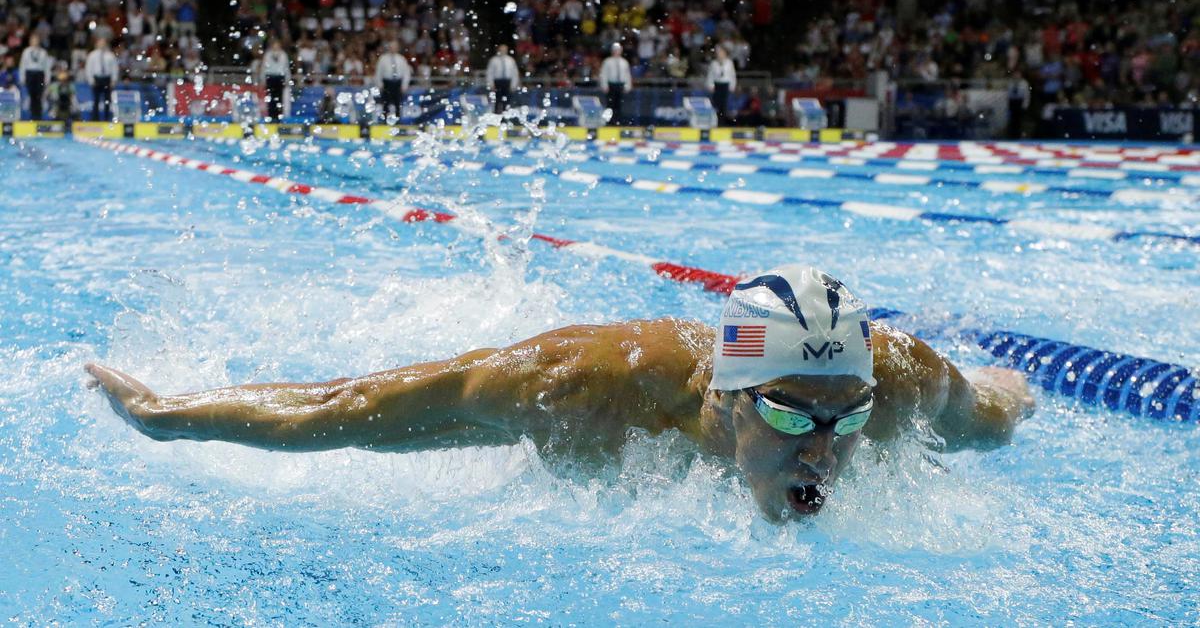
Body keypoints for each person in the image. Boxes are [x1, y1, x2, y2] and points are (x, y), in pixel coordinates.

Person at [88, 265, 1033, 521]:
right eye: (788, 413)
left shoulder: (898, 383)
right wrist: (168, 418)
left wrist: (1015, 394)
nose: (823, 449)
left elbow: (993, 408)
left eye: (844, 417)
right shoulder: (584, 387)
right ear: (726, 392)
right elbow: (339, 408)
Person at [374, 40, 411, 122]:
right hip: (387, 83)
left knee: (398, 103)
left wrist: (404, 85)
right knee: (385, 103)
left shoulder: (401, 59)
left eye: (394, 47)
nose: (393, 49)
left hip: (397, 83)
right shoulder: (383, 59)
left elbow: (406, 73)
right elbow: (378, 72)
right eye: (391, 47)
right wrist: (379, 84)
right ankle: (385, 121)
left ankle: (398, 121)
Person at [19, 34, 52, 120]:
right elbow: (22, 65)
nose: (35, 41)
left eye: (36, 40)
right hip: (29, 74)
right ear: (30, 41)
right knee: (31, 95)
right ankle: (31, 116)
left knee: (39, 96)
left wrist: (47, 78)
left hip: (40, 75)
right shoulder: (26, 51)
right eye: (33, 40)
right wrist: (22, 77)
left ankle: (38, 117)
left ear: (39, 41)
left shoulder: (43, 52)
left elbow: (47, 67)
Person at [84, 38, 119, 121]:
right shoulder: (92, 55)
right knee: (96, 100)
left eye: (103, 43)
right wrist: (91, 80)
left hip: (107, 79)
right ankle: (95, 119)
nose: (102, 45)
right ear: (97, 44)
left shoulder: (110, 55)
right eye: (100, 43)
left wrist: (114, 80)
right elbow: (88, 68)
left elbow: (114, 68)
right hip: (97, 79)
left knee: (107, 100)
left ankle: (106, 119)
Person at [599, 43, 632, 125]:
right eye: (615, 50)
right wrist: (604, 85)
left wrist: (628, 85)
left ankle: (617, 121)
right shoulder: (607, 61)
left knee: (619, 105)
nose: (616, 52)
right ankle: (609, 122)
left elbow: (627, 75)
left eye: (618, 50)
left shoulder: (624, 62)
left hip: (620, 85)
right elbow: (604, 74)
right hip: (611, 85)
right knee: (610, 105)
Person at [706, 46, 737, 126]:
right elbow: (710, 75)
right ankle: (715, 122)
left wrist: (732, 85)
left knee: (724, 105)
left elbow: (732, 75)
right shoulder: (714, 63)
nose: (720, 54)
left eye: (722, 53)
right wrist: (710, 84)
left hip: (725, 85)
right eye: (719, 53)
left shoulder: (729, 63)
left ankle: (722, 123)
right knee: (716, 104)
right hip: (717, 84)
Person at [485, 44, 520, 115]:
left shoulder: (510, 60)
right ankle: (495, 116)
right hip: (497, 82)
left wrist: (513, 85)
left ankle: (505, 118)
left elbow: (514, 73)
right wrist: (491, 84)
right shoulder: (494, 60)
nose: (503, 51)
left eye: (504, 49)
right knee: (497, 100)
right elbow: (490, 73)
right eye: (501, 49)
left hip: (507, 82)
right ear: (498, 50)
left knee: (507, 101)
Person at [262, 40, 291, 123]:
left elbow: (286, 68)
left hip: (279, 77)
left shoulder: (283, 55)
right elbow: (264, 67)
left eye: (277, 45)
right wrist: (263, 79)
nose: (276, 47)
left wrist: (287, 79)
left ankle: (278, 117)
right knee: (270, 98)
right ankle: (271, 116)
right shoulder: (267, 54)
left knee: (279, 98)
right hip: (270, 77)